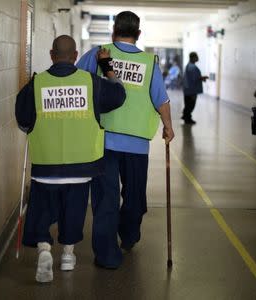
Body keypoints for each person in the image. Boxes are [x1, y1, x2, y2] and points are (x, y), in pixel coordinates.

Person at [15, 35, 126, 282]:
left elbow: (23, 121)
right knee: (73, 211)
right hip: (82, 166)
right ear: (76, 56)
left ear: (52, 55)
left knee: (43, 210)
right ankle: (67, 255)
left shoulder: (36, 84)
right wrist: (108, 68)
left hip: (46, 167)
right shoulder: (91, 82)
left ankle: (44, 249)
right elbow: (119, 95)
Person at [76, 11, 175, 269]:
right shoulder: (149, 61)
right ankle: (129, 236)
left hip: (103, 140)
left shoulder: (99, 53)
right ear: (138, 34)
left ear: (113, 31)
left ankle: (107, 256)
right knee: (134, 198)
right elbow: (161, 99)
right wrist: (168, 126)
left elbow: (77, 81)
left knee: (105, 199)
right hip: (137, 145)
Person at [182, 52, 208, 124]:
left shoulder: (189, 66)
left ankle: (185, 116)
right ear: (193, 57)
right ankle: (187, 118)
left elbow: (192, 78)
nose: (198, 58)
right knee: (191, 105)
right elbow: (194, 78)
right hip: (192, 90)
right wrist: (202, 78)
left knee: (187, 104)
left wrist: (201, 78)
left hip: (188, 89)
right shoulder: (192, 67)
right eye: (196, 57)